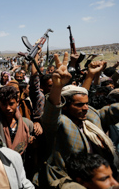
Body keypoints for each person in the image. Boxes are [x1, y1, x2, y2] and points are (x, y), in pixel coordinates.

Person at [37, 52, 119, 188]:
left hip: (100, 177)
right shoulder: (60, 123)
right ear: (66, 107)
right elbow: (51, 114)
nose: (86, 108)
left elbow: (112, 111)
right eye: (79, 105)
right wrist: (57, 86)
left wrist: (91, 75)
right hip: (69, 181)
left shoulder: (92, 117)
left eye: (87, 103)